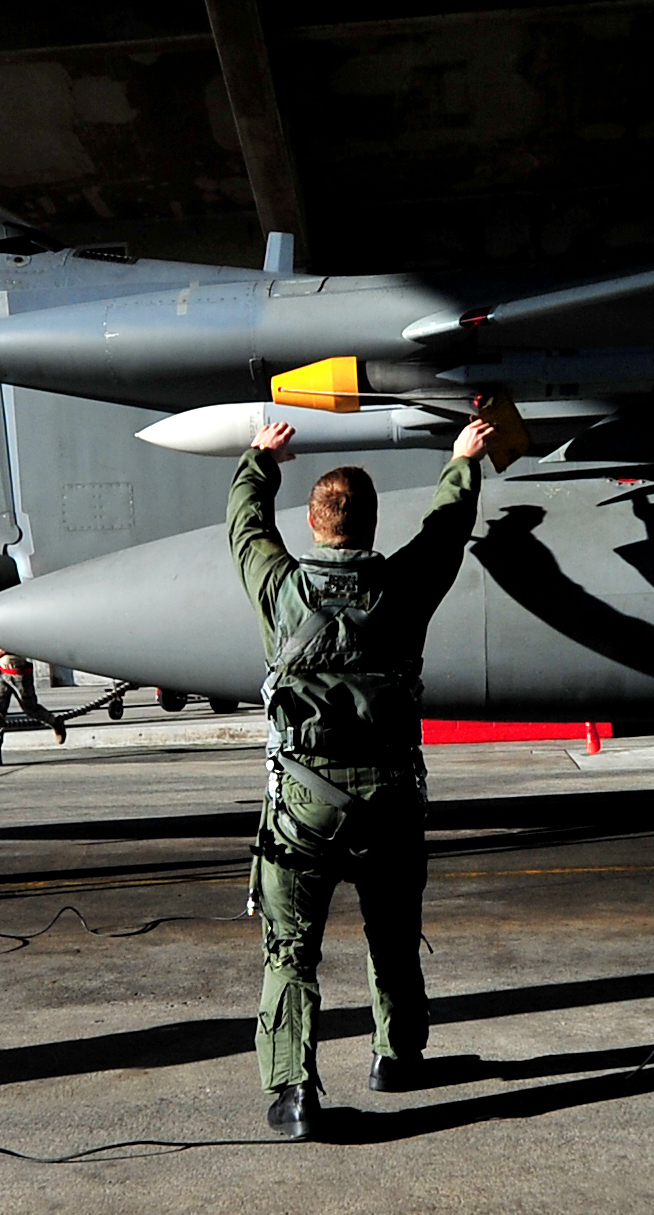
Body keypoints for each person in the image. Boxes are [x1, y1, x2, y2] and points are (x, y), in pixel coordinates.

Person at [232, 417, 495, 1138]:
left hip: (301, 804)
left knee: (291, 950)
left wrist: (262, 461)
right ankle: (397, 1056)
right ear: (373, 523)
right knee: (393, 932)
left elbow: (244, 526)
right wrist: (462, 459)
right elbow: (447, 530)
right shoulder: (404, 589)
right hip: (389, 798)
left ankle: (292, 1092)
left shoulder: (281, 591)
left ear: (313, 524)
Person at [0, 645, 67, 764]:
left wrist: (0, 653)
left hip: (18, 670)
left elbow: (15, 642)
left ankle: (54, 722)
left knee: (30, 708)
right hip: (0, 670)